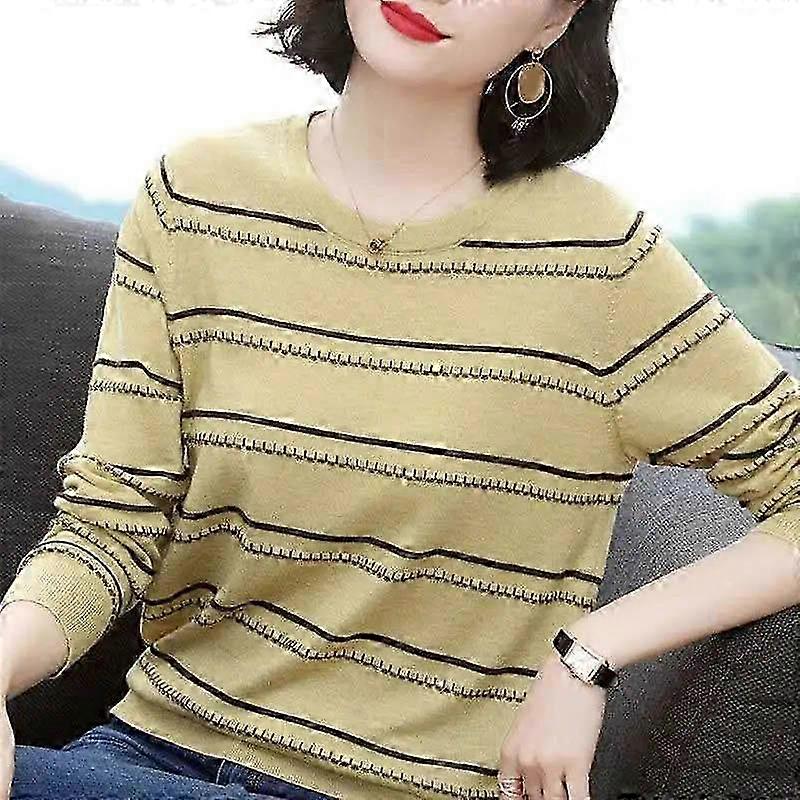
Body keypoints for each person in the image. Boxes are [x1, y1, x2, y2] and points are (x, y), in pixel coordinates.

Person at [3, 0, 800, 799]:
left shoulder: (602, 260)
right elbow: (110, 523)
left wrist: (589, 653)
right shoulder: (196, 198)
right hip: (144, 754)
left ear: (553, 22)